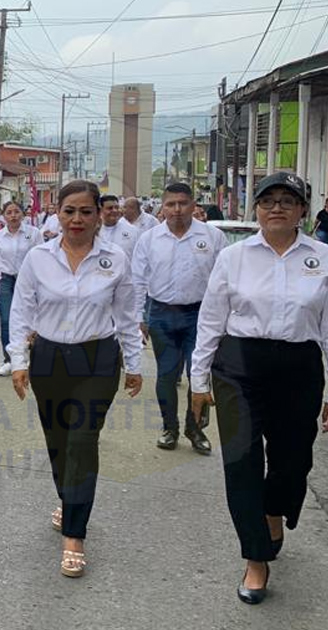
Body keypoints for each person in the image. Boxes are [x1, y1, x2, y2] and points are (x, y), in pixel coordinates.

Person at [190, 172, 328, 605]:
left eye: (288, 200)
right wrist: (198, 381)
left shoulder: (323, 258)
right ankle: (255, 557)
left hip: (298, 367)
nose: (277, 208)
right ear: (257, 209)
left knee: (292, 461)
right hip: (238, 366)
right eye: (268, 200)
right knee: (241, 462)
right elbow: (211, 319)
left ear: (303, 210)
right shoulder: (234, 258)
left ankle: (273, 510)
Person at [9, 179, 144, 578]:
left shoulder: (115, 259)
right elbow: (21, 313)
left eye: (86, 211)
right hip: (49, 359)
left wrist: (134, 365)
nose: (77, 219)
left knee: (83, 441)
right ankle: (69, 498)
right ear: (58, 213)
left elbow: (127, 316)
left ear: (99, 214)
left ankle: (74, 533)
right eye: (70, 211)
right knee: (59, 442)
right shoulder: (38, 258)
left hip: (97, 359)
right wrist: (18, 362)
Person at [131, 182, 227, 454]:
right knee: (166, 374)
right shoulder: (149, 239)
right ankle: (169, 428)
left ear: (193, 205)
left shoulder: (213, 237)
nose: (176, 209)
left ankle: (195, 429)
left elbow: (224, 282)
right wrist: (139, 318)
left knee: (198, 374)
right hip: (161, 314)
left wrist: (224, 319)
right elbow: (138, 281)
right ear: (162, 207)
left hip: (200, 315)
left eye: (182, 203)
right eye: (170, 204)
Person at [0, 201, 43, 377]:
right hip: (5, 278)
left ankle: (30, 356)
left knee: (31, 319)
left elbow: (41, 257)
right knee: (7, 319)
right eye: (9, 212)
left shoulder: (34, 233)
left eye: (16, 211)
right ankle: (9, 360)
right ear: (3, 216)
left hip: (28, 279)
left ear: (23, 214)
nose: (13, 215)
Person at [97, 194, 141, 261]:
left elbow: (139, 256)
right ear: (100, 210)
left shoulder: (133, 231)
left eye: (117, 207)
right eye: (110, 208)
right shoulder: (94, 232)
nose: (114, 211)